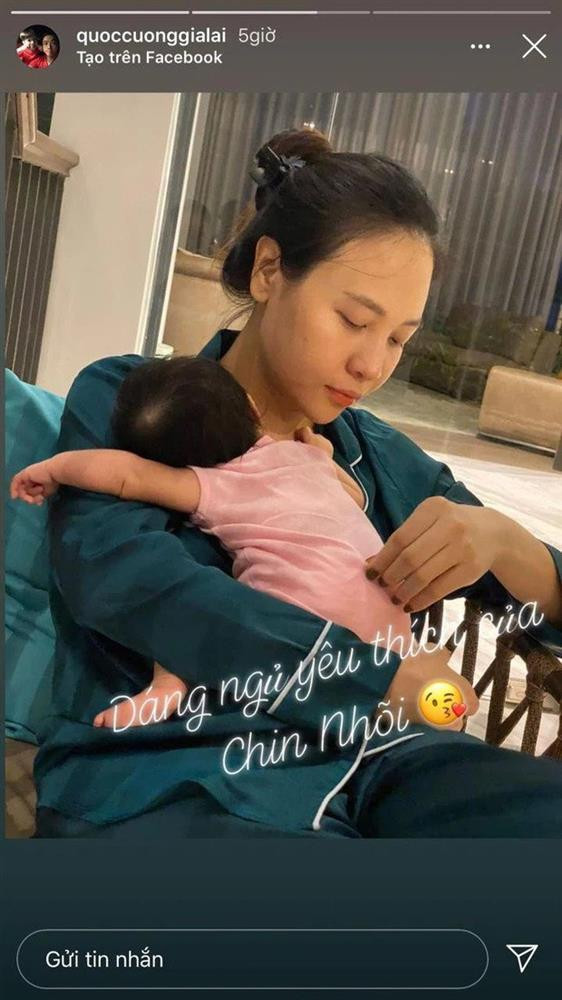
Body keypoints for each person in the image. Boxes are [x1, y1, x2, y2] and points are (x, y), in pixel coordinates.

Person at [35, 129, 562, 839]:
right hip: (173, 770)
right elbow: (125, 575)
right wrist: (369, 677)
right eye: (354, 320)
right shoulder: (137, 400)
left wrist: (502, 540)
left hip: (390, 759)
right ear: (268, 271)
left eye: (398, 339)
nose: (372, 365)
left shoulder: (378, 459)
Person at [13, 356, 474, 731]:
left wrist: (54, 469)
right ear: (253, 409)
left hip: (304, 617)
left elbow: (125, 476)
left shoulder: (214, 485)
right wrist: (322, 453)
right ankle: (436, 704)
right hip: (387, 612)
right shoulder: (306, 457)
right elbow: (353, 498)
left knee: (193, 606)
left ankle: (169, 684)